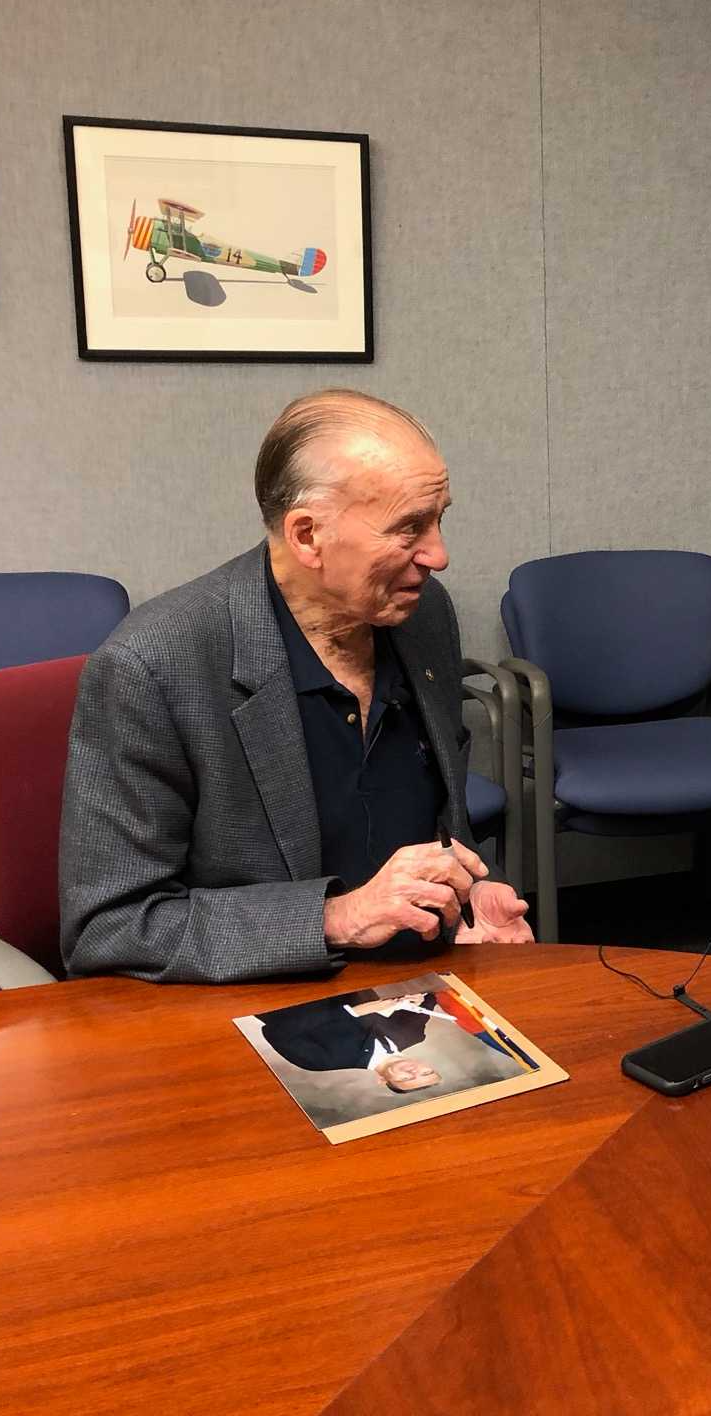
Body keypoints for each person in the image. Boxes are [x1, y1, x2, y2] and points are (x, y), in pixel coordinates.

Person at [60, 389, 533, 984]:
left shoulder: (420, 614)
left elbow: (428, 823)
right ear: (307, 535)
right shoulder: (150, 668)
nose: (438, 554)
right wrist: (337, 918)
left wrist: (467, 903)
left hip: (415, 992)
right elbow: (109, 929)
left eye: (439, 519)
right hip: (243, 1002)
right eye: (409, 527)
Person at [256, 989, 452, 1092]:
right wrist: (418, 997)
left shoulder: (324, 1062)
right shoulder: (412, 1034)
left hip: (271, 993)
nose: (414, 1072)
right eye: (427, 1072)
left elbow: (275, 1032)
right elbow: (428, 998)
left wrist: (353, 1012)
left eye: (407, 1079)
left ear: (383, 1080)